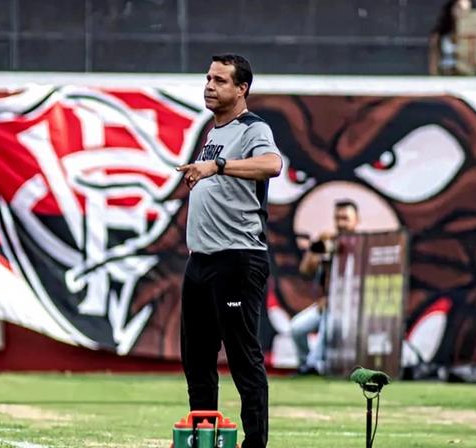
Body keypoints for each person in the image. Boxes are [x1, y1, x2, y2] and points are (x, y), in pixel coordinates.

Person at [176, 53, 282, 448]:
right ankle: (203, 439)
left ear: (242, 89)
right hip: (200, 260)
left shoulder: (253, 128)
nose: (209, 85)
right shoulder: (213, 131)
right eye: (208, 78)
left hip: (238, 258)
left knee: (242, 357)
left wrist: (215, 167)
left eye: (220, 80)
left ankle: (255, 443)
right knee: (197, 360)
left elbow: (272, 164)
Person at [290, 200, 359, 375]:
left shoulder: (362, 245)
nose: (341, 223)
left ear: (356, 220)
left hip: (352, 307)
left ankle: (313, 366)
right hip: (327, 304)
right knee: (297, 327)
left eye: (345, 218)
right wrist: (316, 248)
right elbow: (305, 271)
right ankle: (306, 365)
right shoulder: (329, 242)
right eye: (337, 218)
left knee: (327, 326)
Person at [428, 0, 472, 76]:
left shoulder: (473, 32)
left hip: (467, 77)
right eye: (459, 8)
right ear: (452, 9)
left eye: (467, 10)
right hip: (446, 76)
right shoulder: (441, 34)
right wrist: (434, 75)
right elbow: (434, 57)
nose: (463, 13)